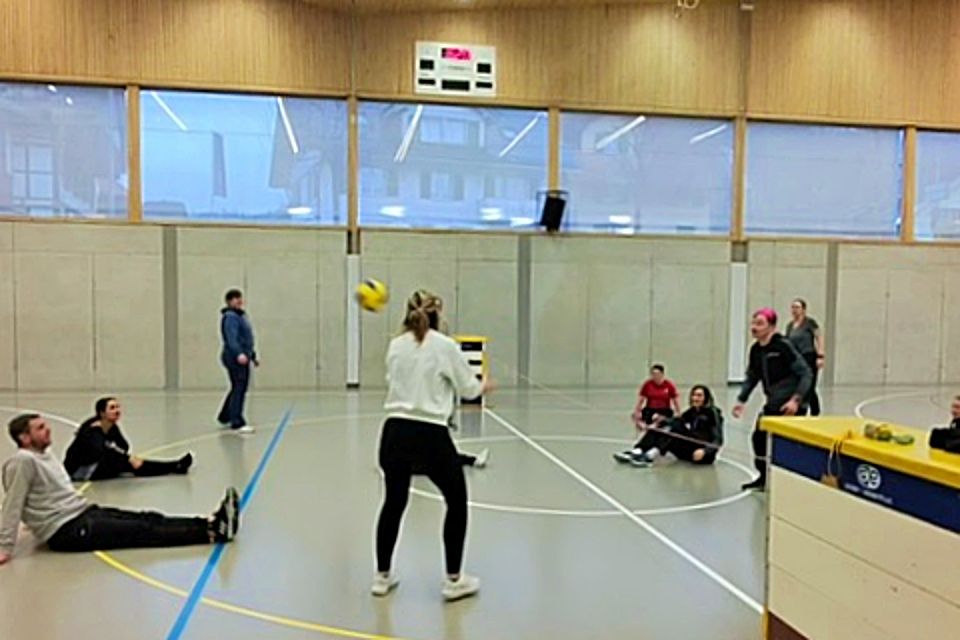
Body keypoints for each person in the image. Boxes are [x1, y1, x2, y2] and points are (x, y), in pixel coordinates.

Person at [372, 290, 493, 602]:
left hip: (393, 432)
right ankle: (454, 580)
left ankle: (382, 577)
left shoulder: (396, 345)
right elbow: (468, 389)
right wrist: (483, 385)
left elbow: (394, 378)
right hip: (430, 434)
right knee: (456, 501)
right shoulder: (444, 346)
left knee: (393, 503)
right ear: (438, 314)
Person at [0, 414, 238, 565]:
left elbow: (43, 496)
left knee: (148, 518)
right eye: (40, 428)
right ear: (25, 437)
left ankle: (209, 522)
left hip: (82, 513)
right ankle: (213, 533)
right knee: (142, 530)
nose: (48, 430)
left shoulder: (45, 455)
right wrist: (5, 546)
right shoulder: (22, 461)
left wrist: (34, 521)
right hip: (68, 530)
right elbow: (13, 503)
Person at [733, 308, 812, 491]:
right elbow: (753, 376)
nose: (754, 327)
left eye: (759, 324)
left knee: (788, 446)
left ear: (772, 327)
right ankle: (764, 478)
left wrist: (796, 400)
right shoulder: (755, 350)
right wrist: (741, 400)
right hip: (773, 402)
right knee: (759, 439)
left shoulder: (783, 346)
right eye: (753, 323)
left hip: (791, 404)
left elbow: (806, 373)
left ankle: (793, 483)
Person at [63, 397, 193, 481]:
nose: (117, 410)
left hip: (99, 463)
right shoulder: (92, 430)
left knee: (129, 462)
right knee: (125, 462)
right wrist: (127, 458)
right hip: (80, 470)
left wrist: (126, 457)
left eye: (118, 407)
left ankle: (174, 466)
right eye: (112, 408)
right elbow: (100, 450)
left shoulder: (111, 427)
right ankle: (174, 466)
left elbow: (123, 445)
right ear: (102, 413)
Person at [614, 385, 724, 467]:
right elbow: (676, 420)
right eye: (694, 395)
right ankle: (639, 450)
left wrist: (705, 451)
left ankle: (650, 456)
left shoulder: (713, 413)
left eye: (699, 395)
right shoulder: (693, 411)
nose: (695, 398)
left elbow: (718, 440)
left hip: (702, 455)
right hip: (689, 448)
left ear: (706, 398)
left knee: (675, 428)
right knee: (664, 423)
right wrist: (661, 419)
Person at [218, 288, 258, 433]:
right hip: (234, 357)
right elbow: (232, 338)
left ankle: (225, 416)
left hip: (242, 355)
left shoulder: (240, 316)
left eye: (240, 297)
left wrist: (252, 355)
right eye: (235, 298)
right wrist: (239, 354)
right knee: (239, 387)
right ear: (229, 301)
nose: (239, 300)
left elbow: (246, 339)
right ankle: (237, 421)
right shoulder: (231, 317)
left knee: (237, 387)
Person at [785, 298, 825, 416]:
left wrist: (820, 355)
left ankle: (814, 411)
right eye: (793, 307)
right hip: (796, 358)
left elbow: (819, 337)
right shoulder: (790, 326)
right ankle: (801, 409)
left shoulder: (809, 323)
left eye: (797, 307)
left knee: (810, 385)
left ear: (803, 310)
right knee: (799, 385)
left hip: (808, 356)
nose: (794, 310)